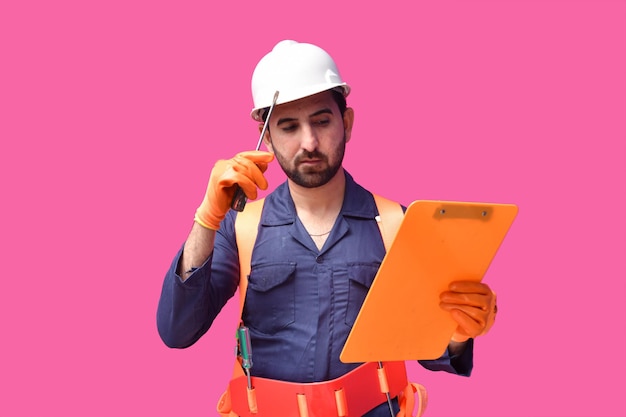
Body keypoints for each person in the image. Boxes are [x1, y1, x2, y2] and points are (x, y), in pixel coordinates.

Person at [157, 40, 497, 417]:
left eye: (322, 121)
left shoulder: (399, 224)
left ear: (346, 123)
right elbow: (177, 330)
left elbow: (433, 353)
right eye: (288, 126)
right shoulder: (240, 228)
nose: (309, 142)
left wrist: (459, 331)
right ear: (267, 136)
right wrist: (207, 219)